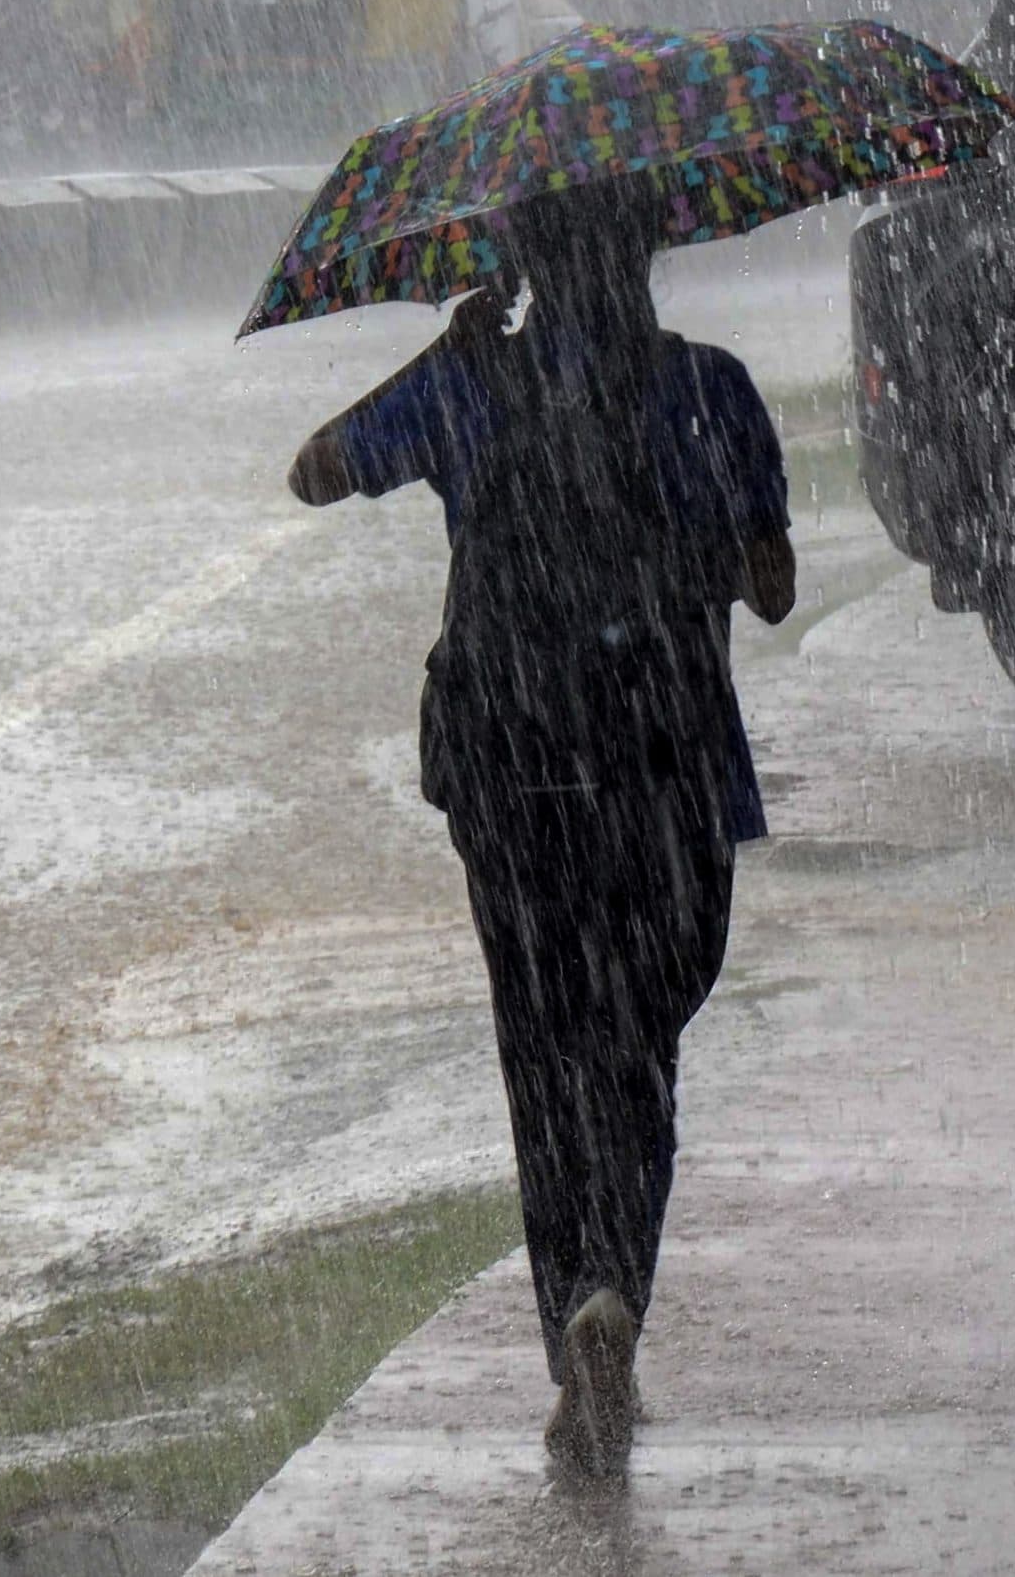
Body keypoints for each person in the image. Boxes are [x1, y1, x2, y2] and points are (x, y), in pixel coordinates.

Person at [285, 185, 796, 1479]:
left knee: (543, 1051)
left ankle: (576, 1315)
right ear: (648, 255)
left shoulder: (470, 385)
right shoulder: (710, 390)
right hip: (667, 767)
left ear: (517, 266)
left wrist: (444, 357)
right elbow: (775, 589)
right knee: (635, 1051)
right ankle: (613, 1282)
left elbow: (316, 470)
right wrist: (688, 545)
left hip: (510, 771)